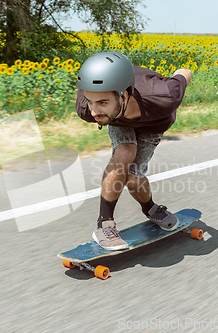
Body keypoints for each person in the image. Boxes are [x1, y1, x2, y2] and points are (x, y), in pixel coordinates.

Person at [75, 52, 192, 250]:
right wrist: (99, 104)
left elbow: (185, 72)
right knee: (125, 152)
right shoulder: (88, 108)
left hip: (153, 122)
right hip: (118, 117)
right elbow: (94, 103)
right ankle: (104, 224)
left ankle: (151, 208)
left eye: (102, 102)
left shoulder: (165, 95)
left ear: (124, 95)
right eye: (90, 101)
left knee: (133, 178)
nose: (94, 111)